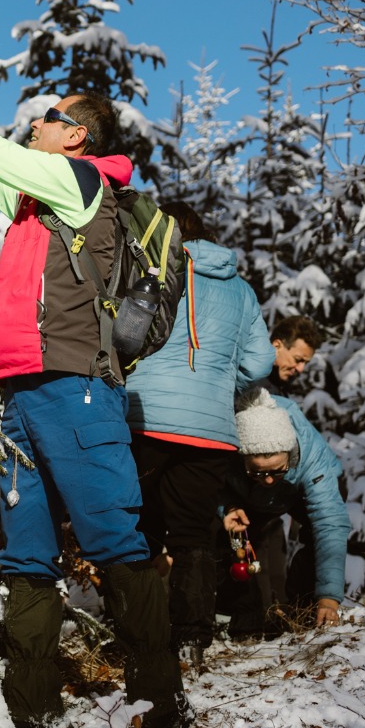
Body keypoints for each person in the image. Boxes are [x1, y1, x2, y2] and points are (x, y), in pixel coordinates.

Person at [0, 31, 185, 728]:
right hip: (22, 392)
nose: (37, 122)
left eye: (50, 116)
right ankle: (31, 708)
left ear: (75, 135)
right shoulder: (35, 204)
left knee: (114, 539)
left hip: (77, 387)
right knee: (26, 553)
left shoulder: (82, 183)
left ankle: (160, 702)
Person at [126, 203, 275, 662]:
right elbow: (261, 363)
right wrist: (215, 387)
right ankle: (191, 639)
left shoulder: (151, 269)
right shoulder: (242, 290)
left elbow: (123, 335)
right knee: (192, 536)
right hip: (210, 431)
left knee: (138, 529)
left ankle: (139, 639)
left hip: (145, 418)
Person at [220, 389, 350, 634]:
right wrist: (228, 507)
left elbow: (329, 522)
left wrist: (329, 598)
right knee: (233, 542)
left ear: (290, 455)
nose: (269, 480)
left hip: (299, 488)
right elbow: (208, 485)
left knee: (317, 537)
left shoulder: (311, 457)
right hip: (246, 496)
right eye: (258, 472)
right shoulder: (226, 447)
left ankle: (308, 609)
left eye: (276, 470)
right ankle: (248, 616)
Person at [262, 314, 323, 390]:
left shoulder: (275, 388)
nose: (300, 369)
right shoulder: (253, 390)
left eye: (306, 363)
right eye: (297, 359)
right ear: (276, 347)